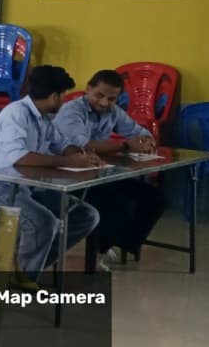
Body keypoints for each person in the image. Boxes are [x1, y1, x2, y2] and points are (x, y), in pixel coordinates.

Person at [0, 66, 102, 278]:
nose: (63, 102)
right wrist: (69, 161)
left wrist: (81, 156)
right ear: (54, 96)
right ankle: (20, 281)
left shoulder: (44, 118)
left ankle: (25, 267)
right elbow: (20, 158)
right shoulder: (16, 113)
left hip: (26, 187)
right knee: (42, 224)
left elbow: (62, 144)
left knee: (86, 216)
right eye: (63, 96)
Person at [53, 70, 166, 268]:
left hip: (99, 174)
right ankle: (101, 247)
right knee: (116, 203)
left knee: (155, 198)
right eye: (99, 95)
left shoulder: (114, 111)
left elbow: (140, 132)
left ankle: (116, 243)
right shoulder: (72, 111)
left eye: (111, 98)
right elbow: (82, 145)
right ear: (88, 89)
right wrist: (126, 145)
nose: (104, 102)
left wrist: (146, 141)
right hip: (69, 177)